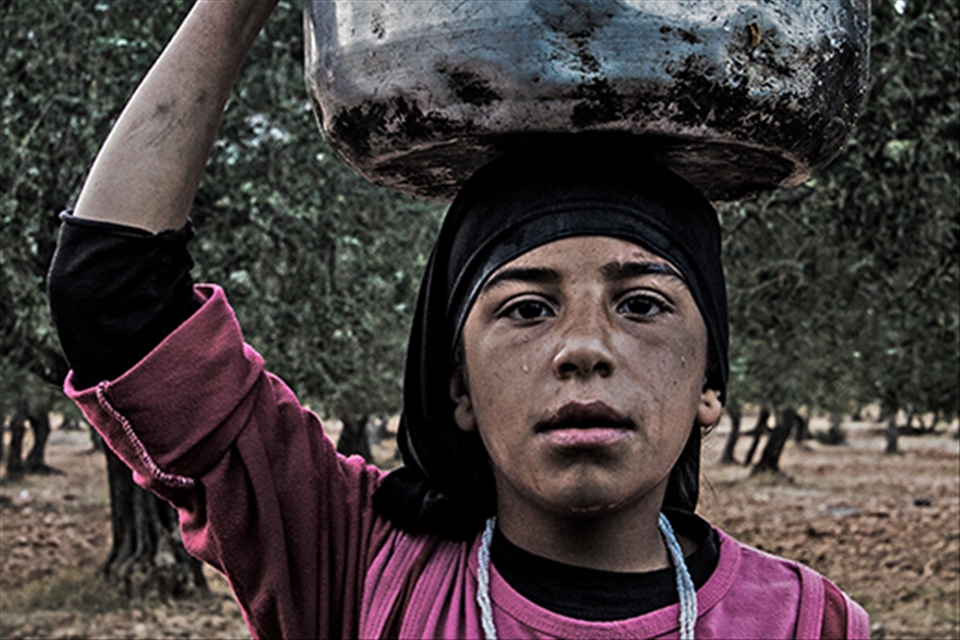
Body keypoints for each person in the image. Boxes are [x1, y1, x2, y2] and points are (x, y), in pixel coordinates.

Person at [47, 2, 869, 638]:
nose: (584, 349)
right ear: (456, 385)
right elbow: (114, 296)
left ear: (710, 385)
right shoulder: (354, 566)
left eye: (643, 303)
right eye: (527, 307)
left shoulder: (808, 620)